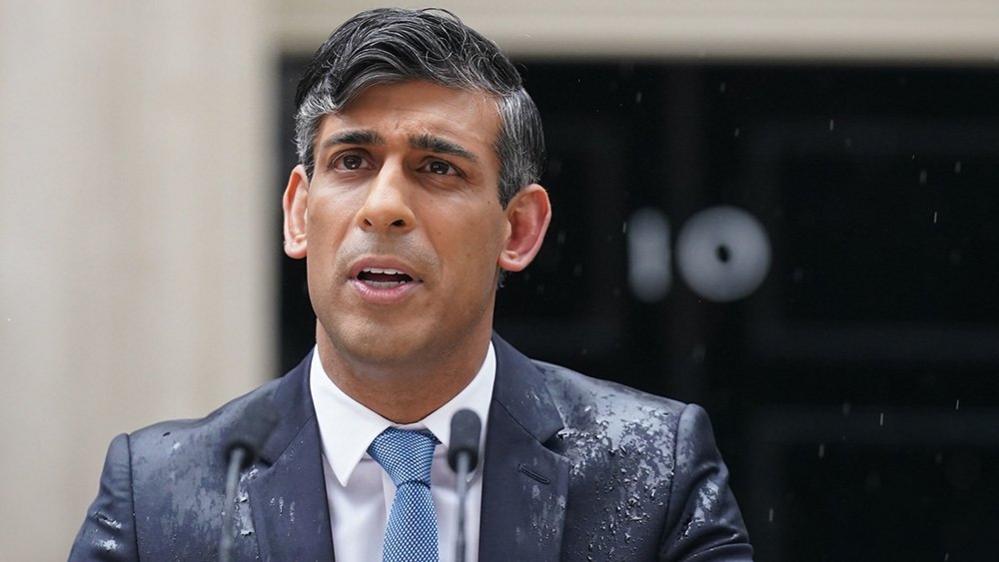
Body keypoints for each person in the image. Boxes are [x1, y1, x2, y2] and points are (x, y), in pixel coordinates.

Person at [70, 8, 752, 562]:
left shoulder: (651, 469)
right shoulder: (158, 494)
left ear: (517, 230)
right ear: (298, 213)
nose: (382, 206)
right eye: (352, 160)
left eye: (436, 168)